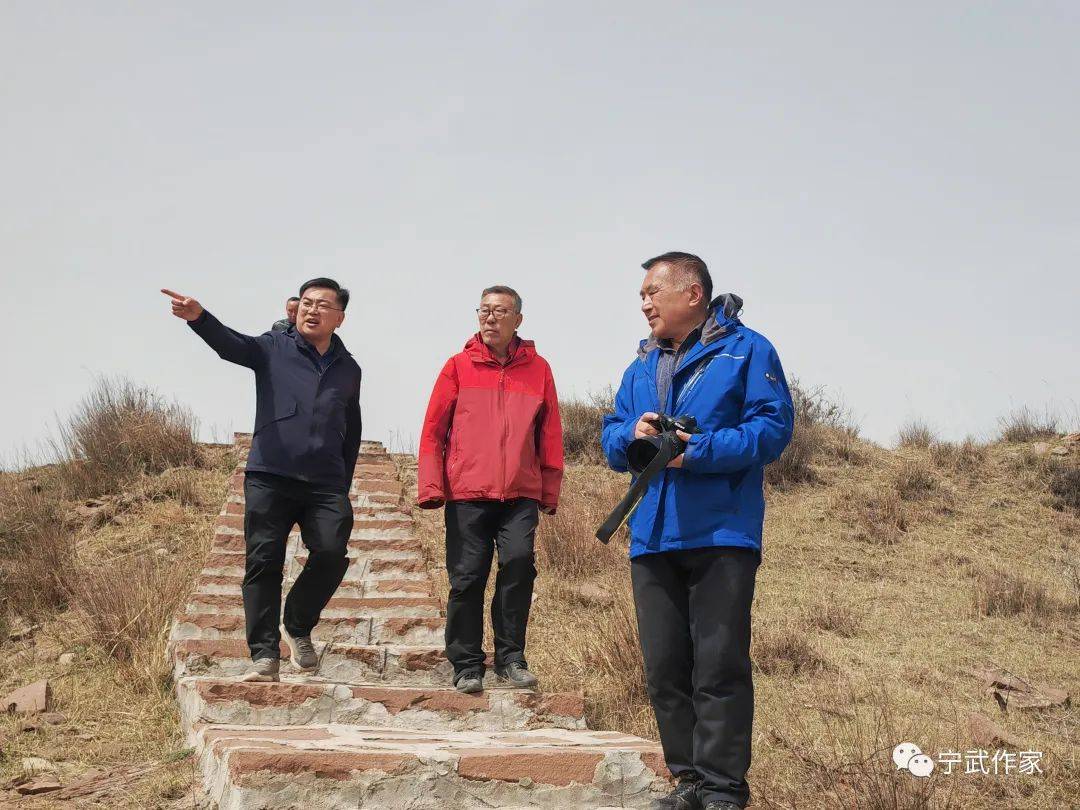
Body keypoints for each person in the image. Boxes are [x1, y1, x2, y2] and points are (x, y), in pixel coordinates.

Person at [600, 253, 793, 810]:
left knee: (719, 665)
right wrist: (631, 435)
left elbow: (773, 428)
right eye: (641, 295)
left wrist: (697, 451)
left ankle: (723, 789)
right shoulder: (640, 365)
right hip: (651, 535)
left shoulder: (749, 350)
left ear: (692, 294)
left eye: (652, 291)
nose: (644, 303)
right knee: (664, 669)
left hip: (721, 534)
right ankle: (687, 781)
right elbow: (611, 436)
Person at [162, 278, 362, 682]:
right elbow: (233, 346)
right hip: (271, 474)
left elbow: (351, 428)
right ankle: (264, 654)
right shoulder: (275, 347)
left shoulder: (349, 368)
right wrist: (199, 318)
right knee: (264, 561)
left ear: (339, 318)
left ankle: (298, 623)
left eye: (322, 305)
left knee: (331, 551)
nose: (312, 310)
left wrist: (342, 482)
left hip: (325, 482)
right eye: (306, 302)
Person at [417, 285, 564, 694]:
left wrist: (549, 488)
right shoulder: (457, 366)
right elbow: (433, 430)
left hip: (520, 492)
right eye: (484, 310)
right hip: (467, 492)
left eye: (500, 311)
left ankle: (511, 658)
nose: (490, 318)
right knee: (467, 577)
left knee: (518, 565)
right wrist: (431, 486)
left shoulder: (539, 370)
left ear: (518, 320)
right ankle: (466, 664)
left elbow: (550, 432)